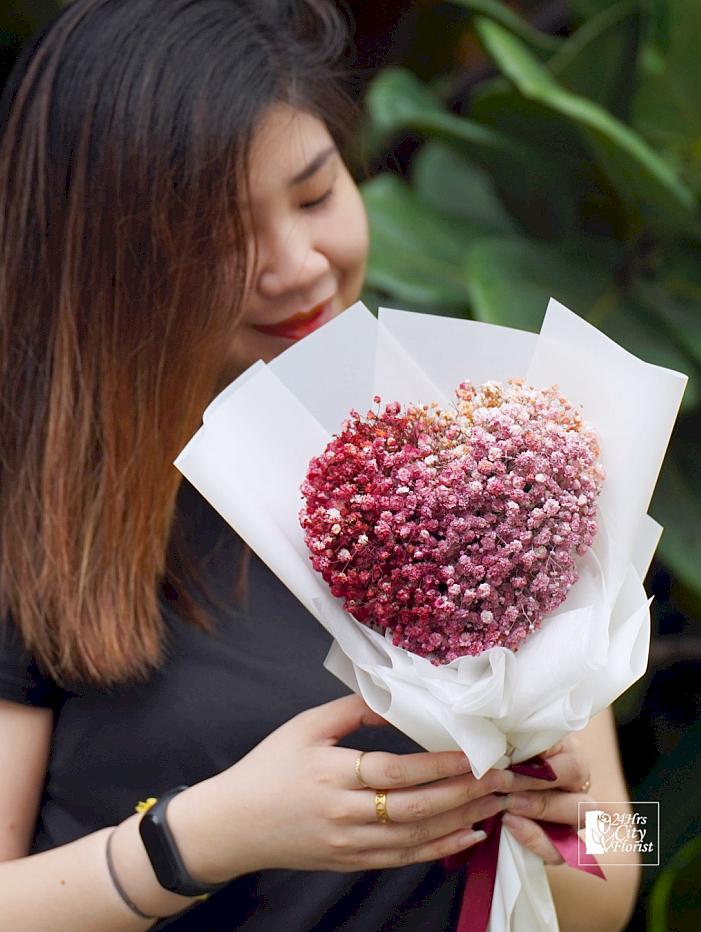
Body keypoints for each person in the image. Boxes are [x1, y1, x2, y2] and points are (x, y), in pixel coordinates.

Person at [0, 1, 640, 929]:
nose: (297, 266)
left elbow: (624, 853)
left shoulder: (496, 454)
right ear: (109, 255)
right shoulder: (43, 503)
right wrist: (200, 839)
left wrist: (572, 825)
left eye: (313, 196)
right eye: (219, 235)